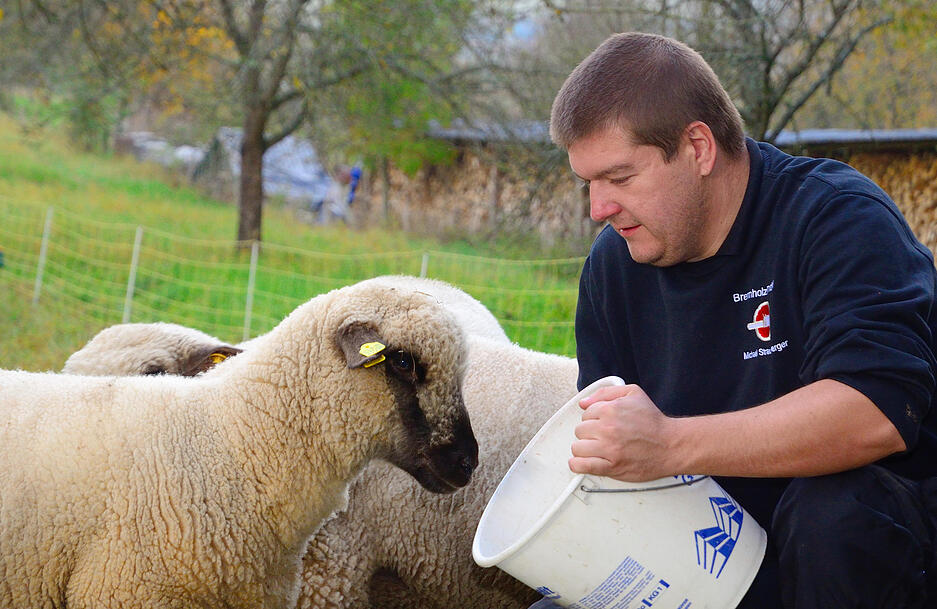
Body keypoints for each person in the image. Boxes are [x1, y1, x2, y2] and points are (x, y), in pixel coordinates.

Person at [539, 32, 937, 609]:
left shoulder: (834, 217)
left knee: (832, 515)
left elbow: (877, 410)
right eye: (589, 183)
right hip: (715, 560)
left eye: (620, 179)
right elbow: (615, 454)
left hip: (866, 556)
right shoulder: (614, 266)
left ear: (698, 148)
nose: (598, 208)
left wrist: (672, 444)